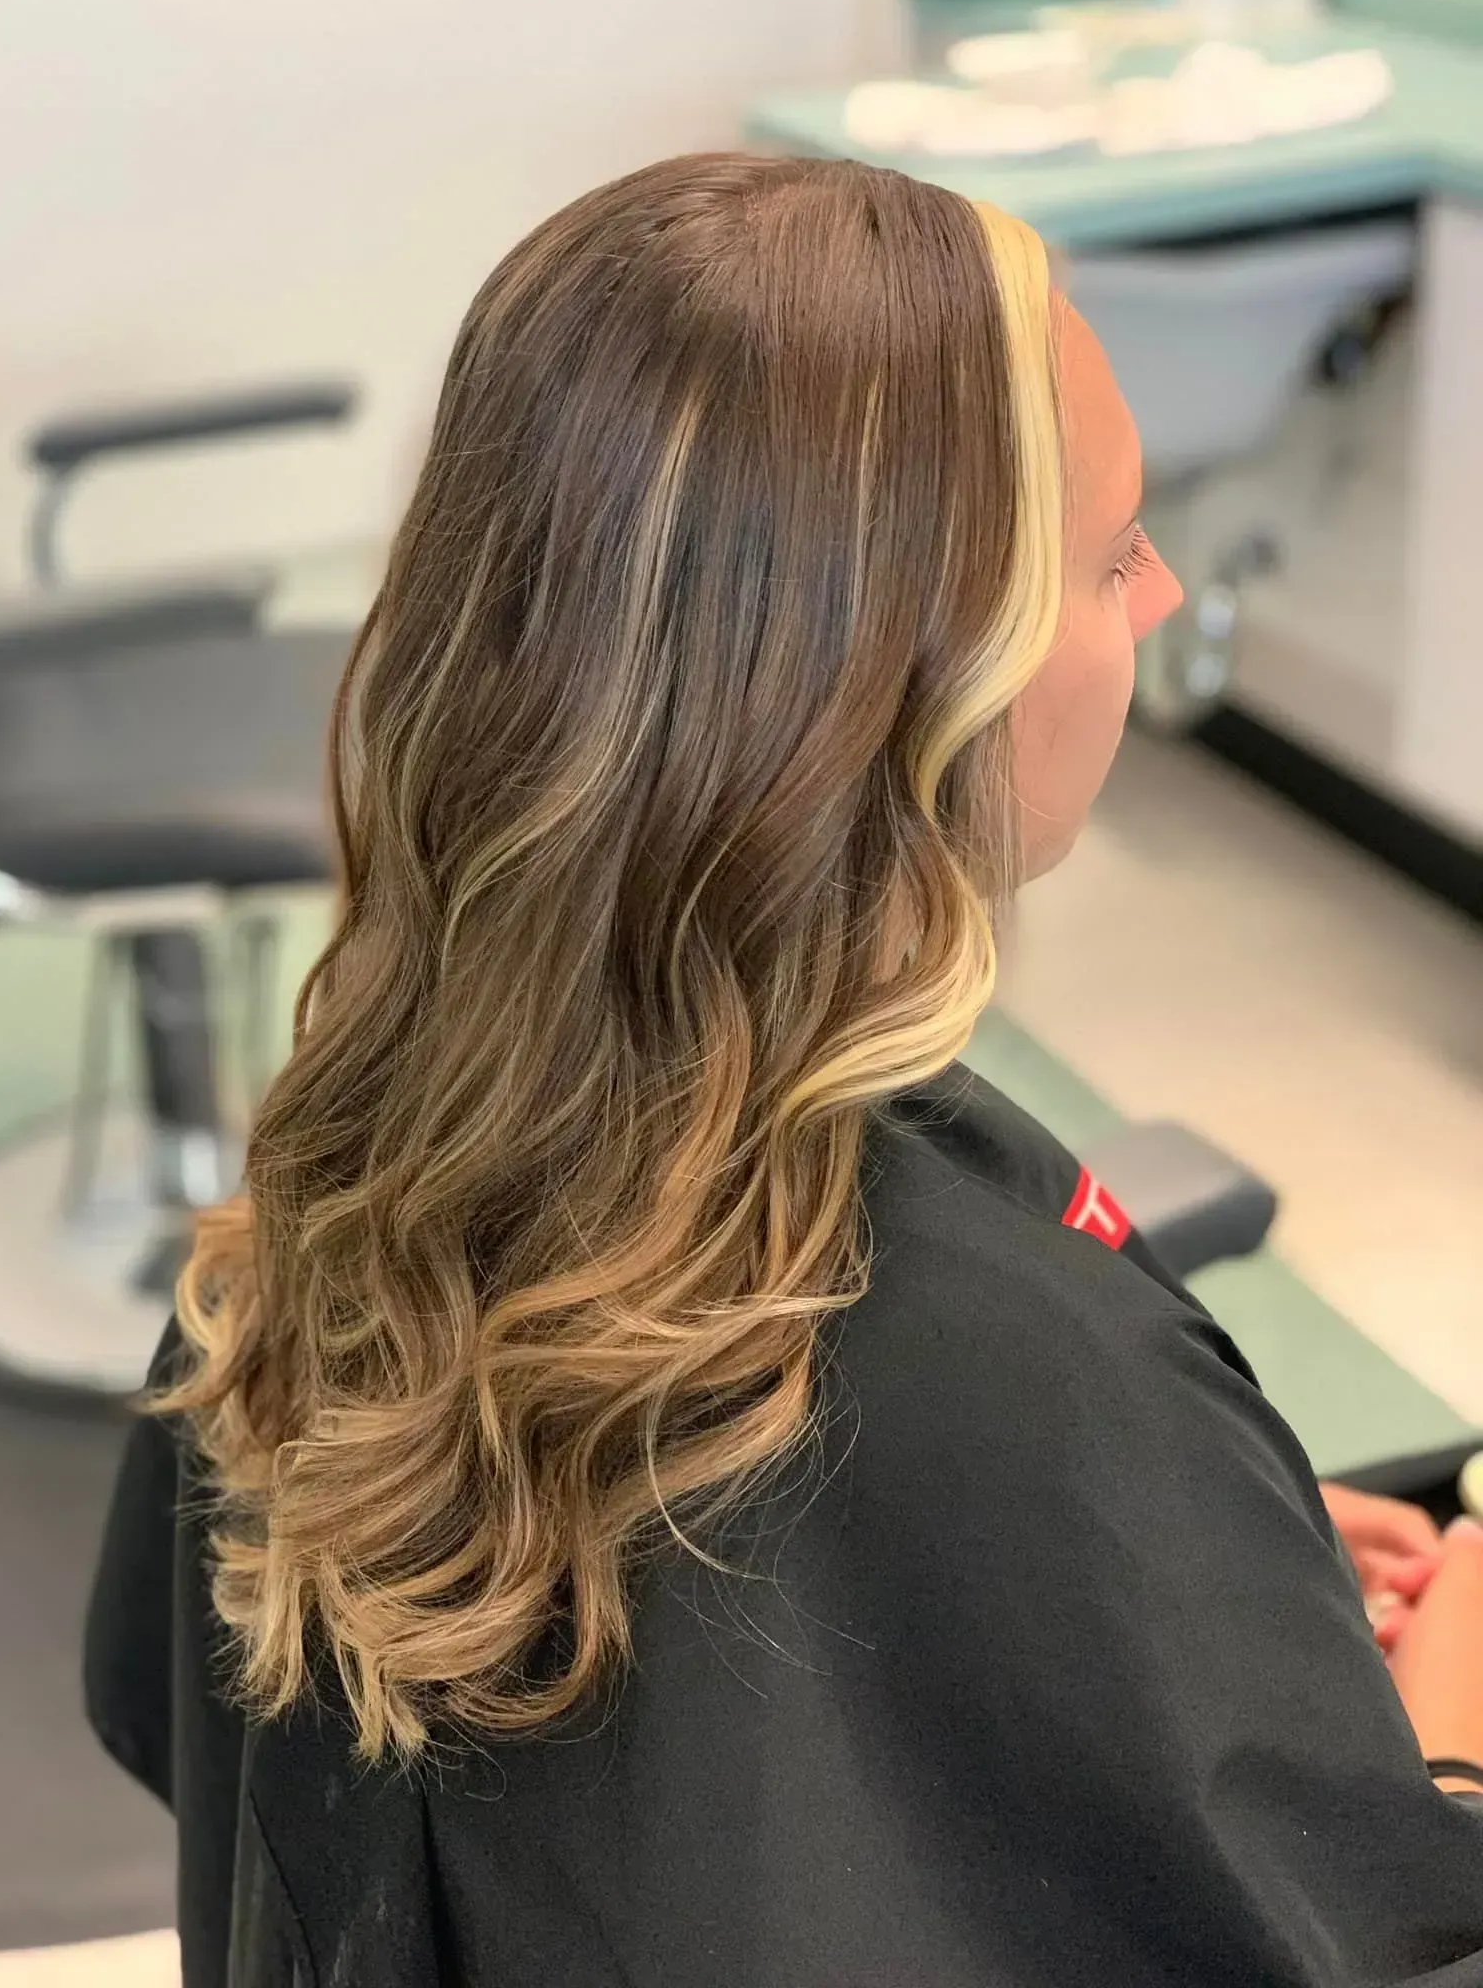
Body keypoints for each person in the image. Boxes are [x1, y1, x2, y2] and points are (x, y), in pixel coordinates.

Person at [85, 154, 1483, 1987]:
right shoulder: (1021, 1380)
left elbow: (166, 1704)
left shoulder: (335, 1175)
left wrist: (1216, 1580)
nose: (1145, 612)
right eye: (1113, 556)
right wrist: (1434, 1743)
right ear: (919, 692)